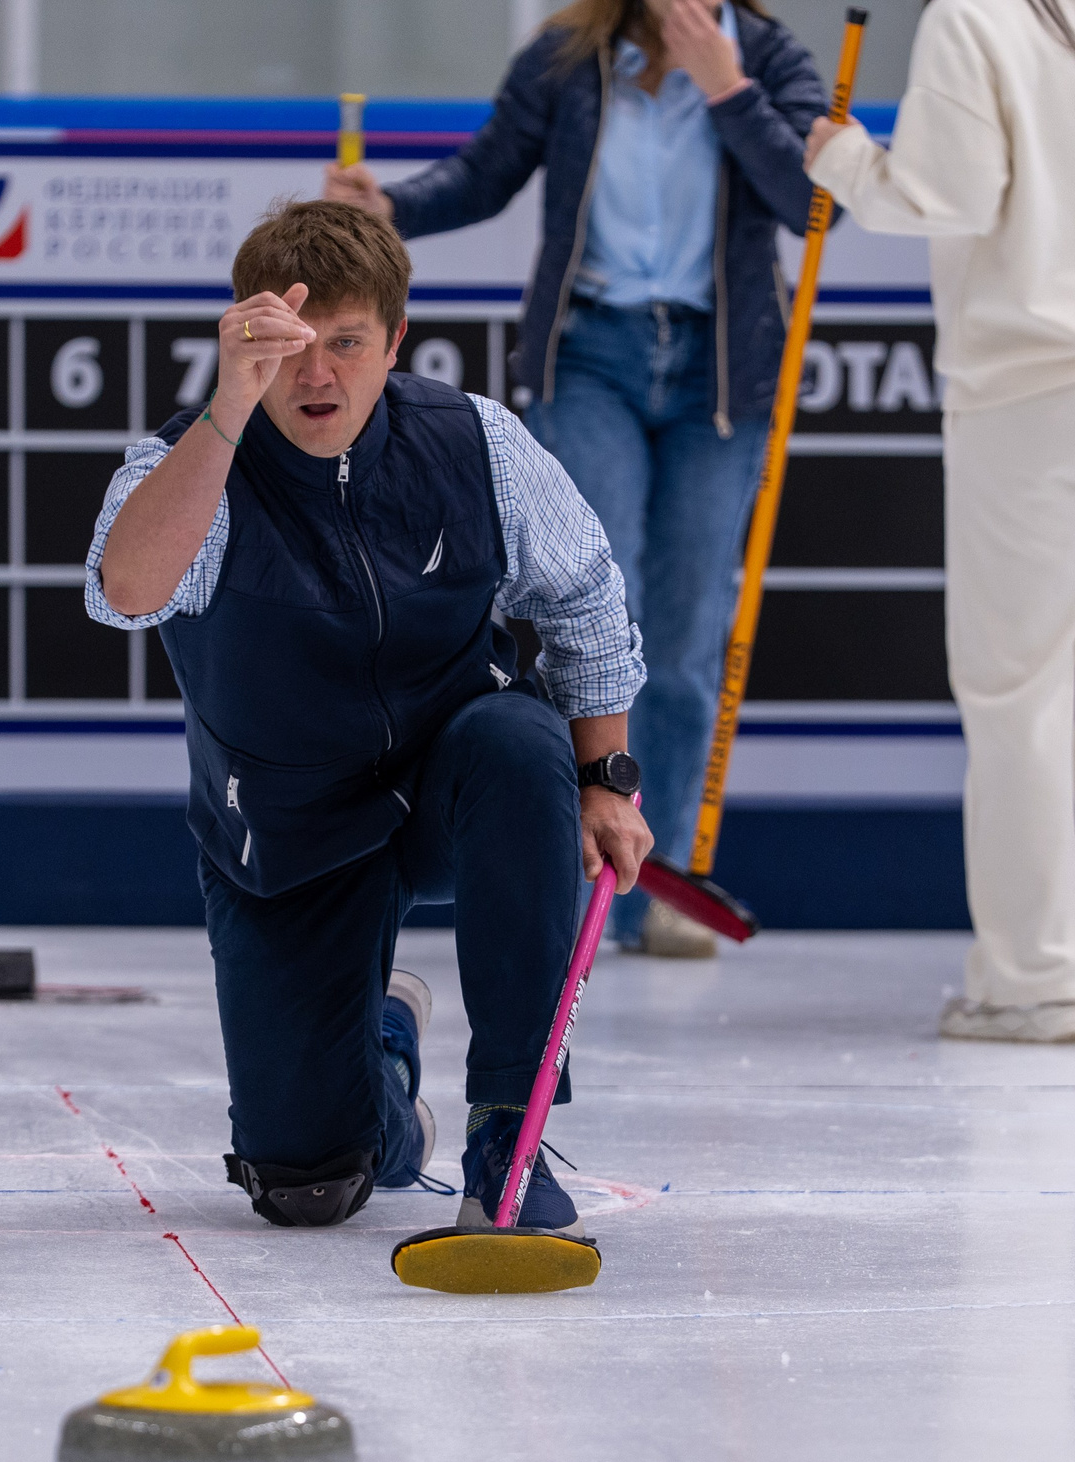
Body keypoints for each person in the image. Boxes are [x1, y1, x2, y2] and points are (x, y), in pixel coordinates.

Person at [87, 198, 652, 1234]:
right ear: (242, 335)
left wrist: (606, 777)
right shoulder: (188, 459)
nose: (315, 376)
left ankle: (506, 1125)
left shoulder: (474, 442)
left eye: (345, 344)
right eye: (288, 347)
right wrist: (224, 411)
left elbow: (583, 599)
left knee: (520, 740)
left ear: (393, 341)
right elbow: (127, 589)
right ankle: (385, 1061)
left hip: (448, 787)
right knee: (306, 1183)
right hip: (287, 831)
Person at [323, 0, 826, 958]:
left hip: (721, 375)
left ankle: (655, 880)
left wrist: (727, 86)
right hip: (590, 350)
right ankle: (561, 868)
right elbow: (488, 171)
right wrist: (391, 210)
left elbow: (813, 201)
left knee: (681, 639)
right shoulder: (568, 50)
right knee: (593, 604)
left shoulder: (763, 53)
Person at [804, 0, 1075, 1042]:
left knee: (1015, 688)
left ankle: (1028, 979)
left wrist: (847, 160)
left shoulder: (969, 20)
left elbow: (945, 195)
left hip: (1036, 388)